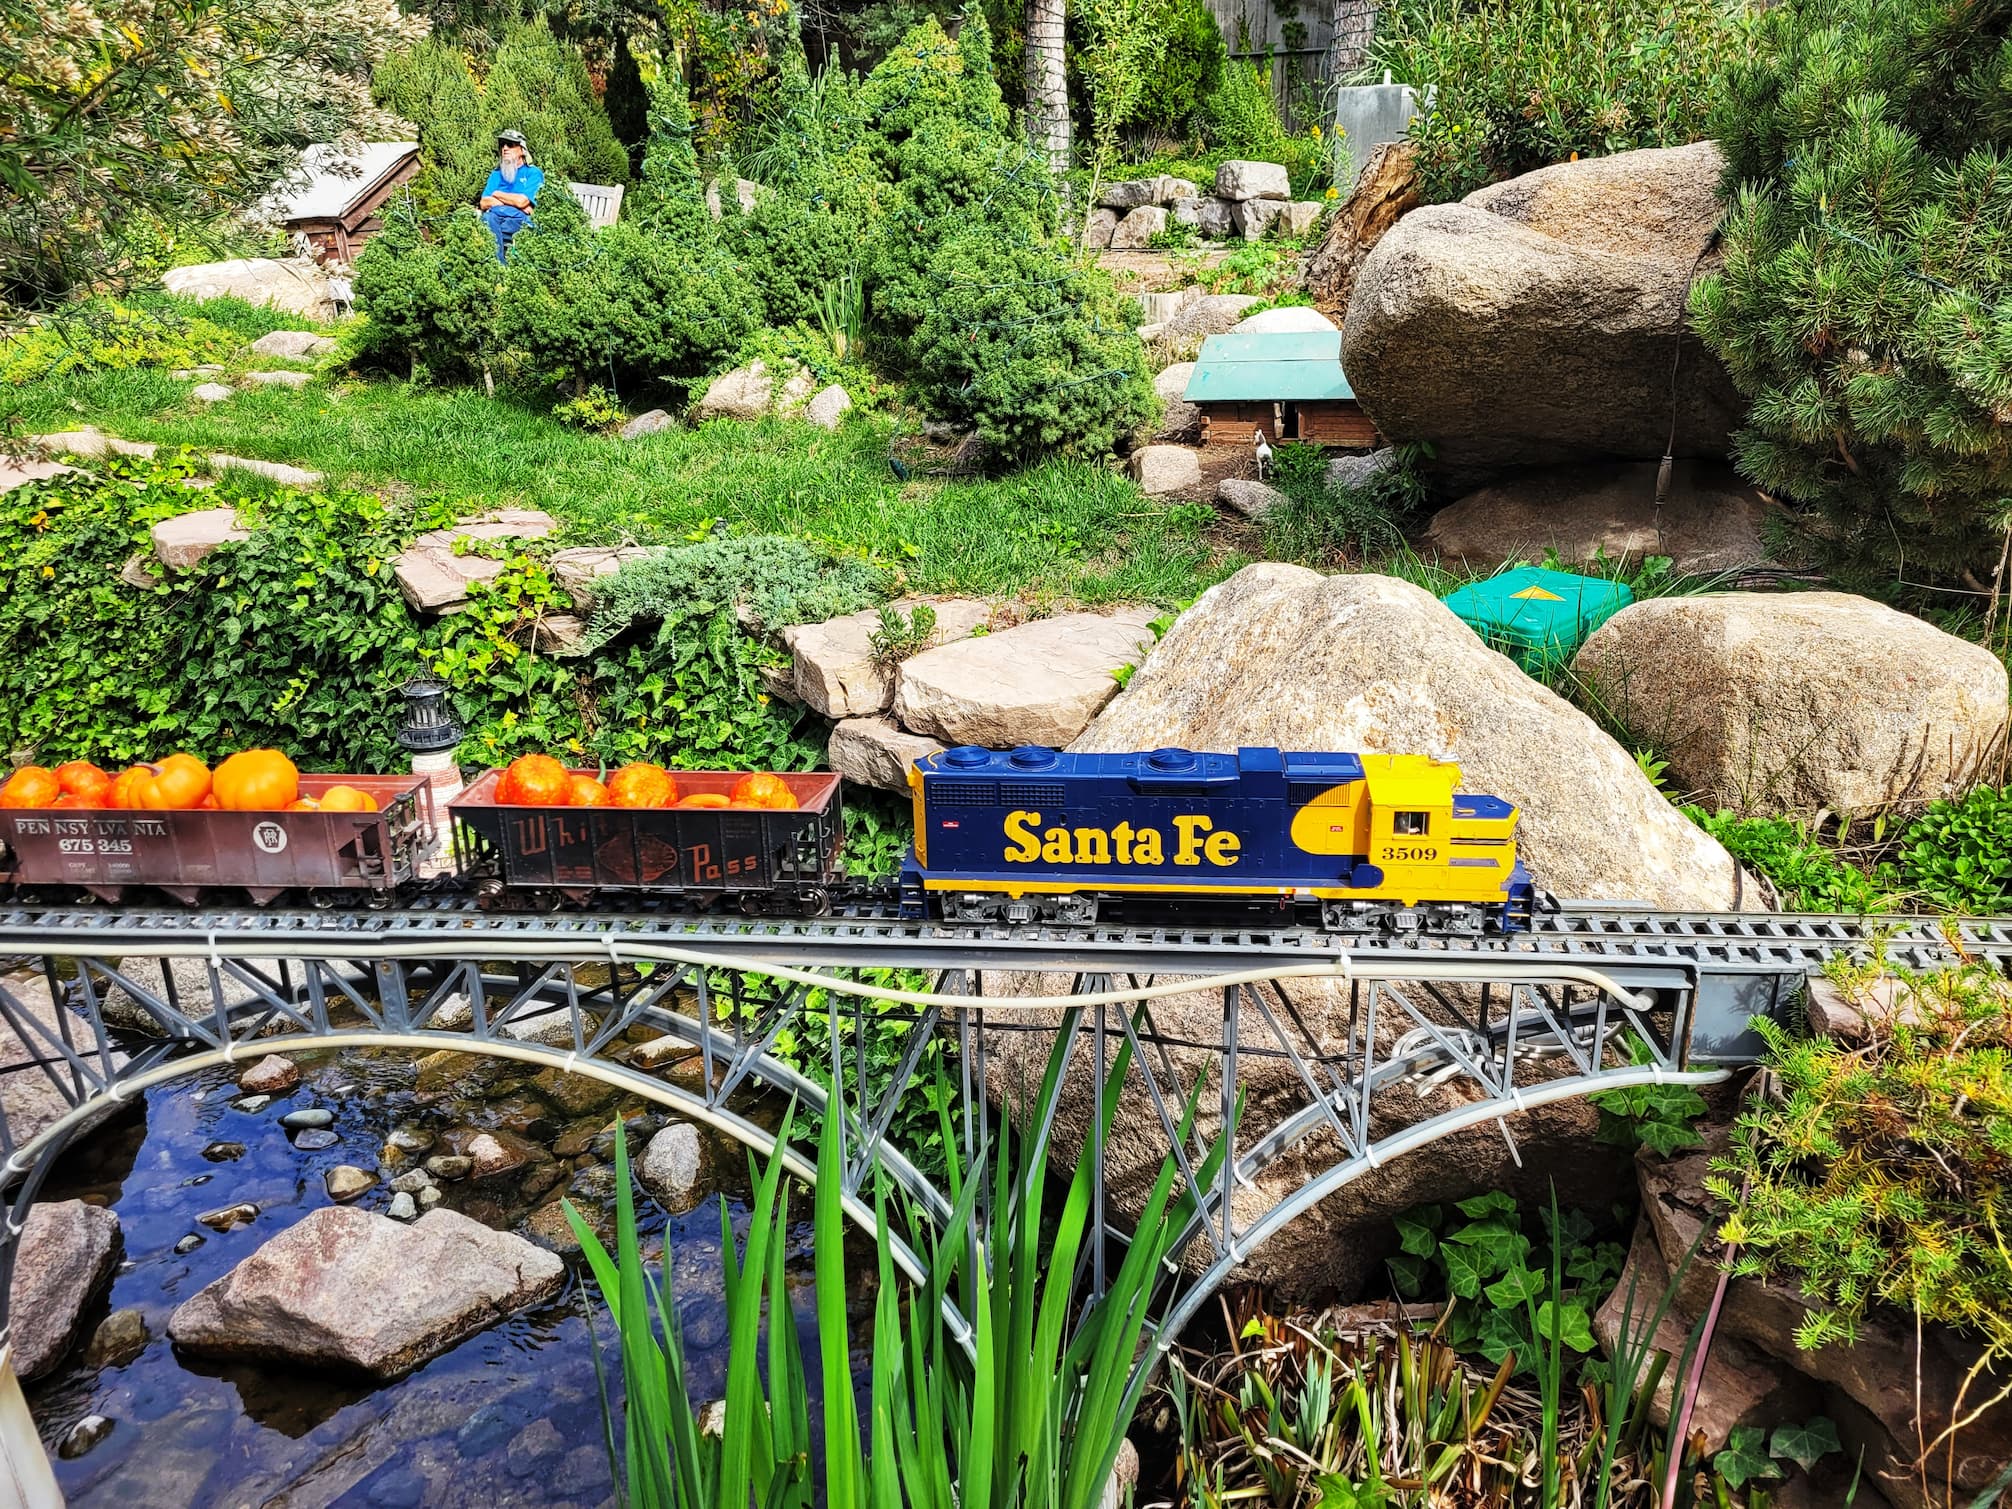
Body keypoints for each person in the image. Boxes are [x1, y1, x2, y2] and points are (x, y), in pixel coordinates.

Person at [479, 129, 544, 262]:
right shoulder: (496, 173)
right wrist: (514, 202)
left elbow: (522, 202)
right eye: (502, 145)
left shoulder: (533, 173)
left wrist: (496, 195)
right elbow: (484, 203)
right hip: (495, 218)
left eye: (510, 145)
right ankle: (500, 267)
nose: (505, 148)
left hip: (519, 221)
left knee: (490, 228)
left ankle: (497, 267)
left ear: (522, 150)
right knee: (489, 219)